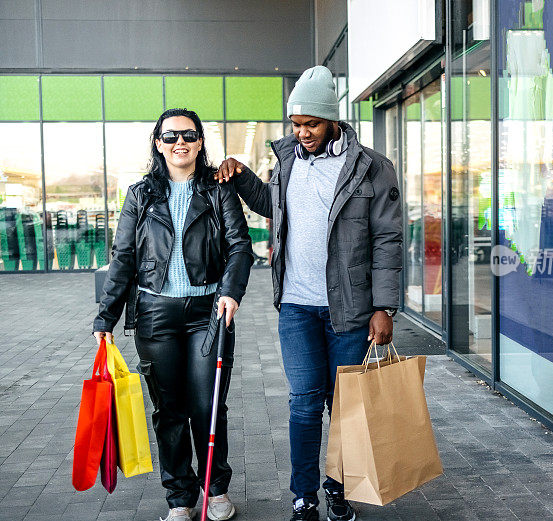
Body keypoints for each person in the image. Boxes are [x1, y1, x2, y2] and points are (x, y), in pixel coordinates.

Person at [216, 65, 402, 521]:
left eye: (311, 124)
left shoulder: (372, 168)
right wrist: (240, 176)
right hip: (297, 306)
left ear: (332, 120)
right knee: (303, 403)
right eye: (297, 125)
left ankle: (336, 489)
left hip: (351, 310)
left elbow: (388, 239)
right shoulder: (287, 161)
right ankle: (304, 497)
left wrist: (385, 307)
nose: (303, 133)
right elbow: (271, 205)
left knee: (341, 406)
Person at [93, 108, 253, 521]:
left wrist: (231, 292)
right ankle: (179, 498)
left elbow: (239, 246)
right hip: (155, 315)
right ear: (158, 144)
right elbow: (123, 257)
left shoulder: (219, 191)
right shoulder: (140, 194)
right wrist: (105, 318)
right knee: (169, 411)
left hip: (209, 314)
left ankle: (216, 490)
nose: (179, 142)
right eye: (170, 137)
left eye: (188, 135)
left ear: (200, 142)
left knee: (208, 406)